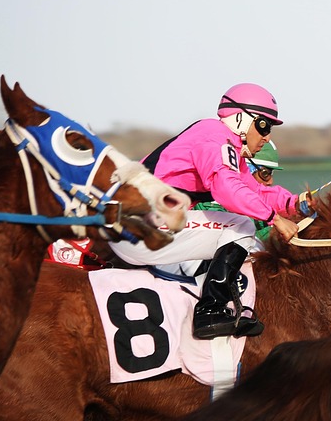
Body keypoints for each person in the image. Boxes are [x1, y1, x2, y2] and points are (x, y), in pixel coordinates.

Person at [108, 83, 303, 339]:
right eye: (264, 125)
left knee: (237, 232)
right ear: (241, 119)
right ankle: (210, 311)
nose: (267, 137)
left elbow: (257, 192)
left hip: (140, 226)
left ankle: (226, 305)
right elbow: (227, 189)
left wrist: (298, 203)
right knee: (240, 226)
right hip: (139, 227)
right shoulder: (213, 136)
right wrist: (274, 218)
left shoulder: (226, 146)